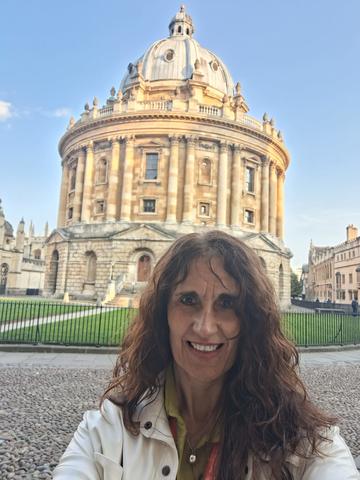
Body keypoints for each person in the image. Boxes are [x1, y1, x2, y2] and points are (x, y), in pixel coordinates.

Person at [53, 231, 359, 479]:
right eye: (188, 300)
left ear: (250, 318)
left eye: (227, 304)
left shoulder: (297, 435)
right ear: (163, 313)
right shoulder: (109, 430)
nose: (205, 327)